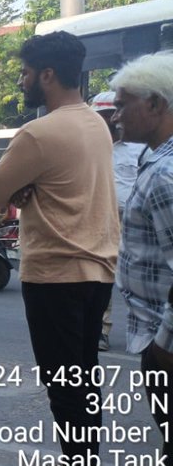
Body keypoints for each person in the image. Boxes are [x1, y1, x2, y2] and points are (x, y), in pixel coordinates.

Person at [0, 31, 119, 466]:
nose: (21, 82)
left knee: (66, 384)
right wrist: (31, 189)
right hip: (98, 269)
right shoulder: (95, 125)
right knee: (82, 379)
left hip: (56, 271)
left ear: (46, 74)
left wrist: (24, 189)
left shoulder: (40, 133)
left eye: (24, 73)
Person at [111, 52, 173, 466]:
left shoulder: (166, 173)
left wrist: (164, 345)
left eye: (123, 103)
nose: (116, 116)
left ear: (155, 105)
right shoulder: (152, 160)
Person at [90, 90, 149, 352]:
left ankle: (149, 332)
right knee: (101, 273)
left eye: (109, 114)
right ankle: (101, 329)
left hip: (136, 221)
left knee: (138, 276)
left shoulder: (138, 148)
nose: (108, 120)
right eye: (101, 115)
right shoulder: (88, 146)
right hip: (100, 218)